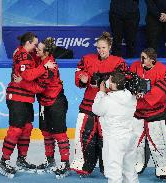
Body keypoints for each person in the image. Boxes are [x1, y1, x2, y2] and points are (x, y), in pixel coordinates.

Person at [0, 32, 56, 178]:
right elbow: (28, 76)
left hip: (26, 98)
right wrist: (45, 67)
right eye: (35, 44)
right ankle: (4, 161)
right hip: (17, 97)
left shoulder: (27, 54)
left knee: (27, 128)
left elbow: (40, 59)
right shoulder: (23, 55)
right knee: (16, 130)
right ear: (28, 43)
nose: (36, 48)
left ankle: (21, 159)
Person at [70, 32, 128, 175]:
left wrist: (105, 83)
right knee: (86, 137)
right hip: (88, 106)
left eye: (103, 47)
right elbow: (79, 75)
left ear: (109, 47)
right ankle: (85, 166)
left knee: (107, 139)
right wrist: (82, 80)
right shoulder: (87, 59)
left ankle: (107, 167)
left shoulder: (118, 62)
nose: (101, 50)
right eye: (98, 48)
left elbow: (122, 81)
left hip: (109, 107)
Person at [14, 37, 70, 179]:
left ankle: (65, 163)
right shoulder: (40, 59)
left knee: (59, 133)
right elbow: (26, 54)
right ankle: (50, 161)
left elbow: (38, 88)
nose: (36, 49)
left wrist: (21, 82)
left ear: (45, 52)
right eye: (36, 47)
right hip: (44, 103)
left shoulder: (50, 67)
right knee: (46, 133)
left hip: (56, 102)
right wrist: (18, 52)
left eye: (39, 48)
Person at [92, 72, 139, 183]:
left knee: (114, 172)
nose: (107, 81)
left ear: (114, 84)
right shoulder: (131, 96)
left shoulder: (108, 100)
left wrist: (101, 93)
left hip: (114, 140)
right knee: (130, 170)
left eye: (110, 80)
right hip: (129, 138)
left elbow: (96, 110)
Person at [130, 48, 166, 178]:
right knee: (136, 141)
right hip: (137, 113)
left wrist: (146, 95)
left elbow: (163, 91)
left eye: (144, 58)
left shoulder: (163, 70)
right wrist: (132, 89)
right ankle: (137, 163)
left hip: (156, 113)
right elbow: (127, 81)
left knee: (158, 142)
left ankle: (163, 166)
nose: (140, 60)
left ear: (152, 60)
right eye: (140, 57)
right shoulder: (135, 66)